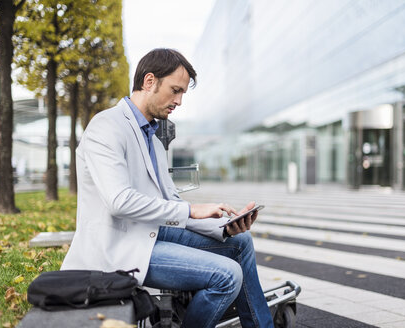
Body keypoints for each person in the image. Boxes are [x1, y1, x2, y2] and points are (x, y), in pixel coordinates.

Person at [61, 48, 274, 328]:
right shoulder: (106, 127)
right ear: (149, 81)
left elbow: (170, 202)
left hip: (151, 234)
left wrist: (223, 226)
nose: (179, 101)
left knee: (241, 242)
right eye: (175, 90)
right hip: (119, 248)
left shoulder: (152, 135)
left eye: (183, 93)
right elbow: (119, 201)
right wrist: (191, 209)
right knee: (227, 275)